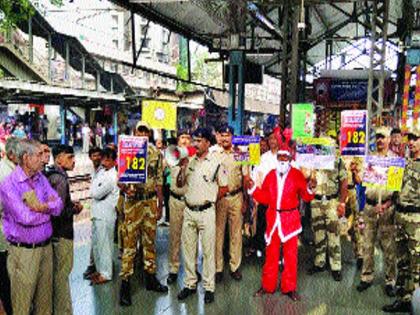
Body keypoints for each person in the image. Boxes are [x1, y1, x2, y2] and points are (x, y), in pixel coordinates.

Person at [0, 139, 63, 315]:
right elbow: (25, 217)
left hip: (46, 249)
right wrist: (48, 210)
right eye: (39, 155)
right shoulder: (9, 185)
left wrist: (43, 207)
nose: (44, 159)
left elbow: (58, 206)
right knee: (23, 305)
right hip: (24, 253)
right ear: (26, 158)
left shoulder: (41, 179)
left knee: (44, 304)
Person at [248, 144, 316, 301]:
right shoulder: (270, 175)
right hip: (273, 221)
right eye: (280, 158)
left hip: (290, 221)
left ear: (290, 159)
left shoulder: (297, 175)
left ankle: (289, 288)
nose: (283, 160)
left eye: (285, 158)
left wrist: (311, 188)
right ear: (277, 159)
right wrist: (253, 190)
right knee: (270, 255)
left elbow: (305, 196)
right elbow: (265, 197)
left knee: (290, 256)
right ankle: (267, 286)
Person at [176, 128, 228, 304]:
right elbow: (180, 183)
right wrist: (181, 168)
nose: (195, 144)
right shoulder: (189, 162)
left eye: (199, 140)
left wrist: (211, 199)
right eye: (194, 140)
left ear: (207, 142)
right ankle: (190, 284)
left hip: (206, 212)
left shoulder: (216, 163)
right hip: (189, 211)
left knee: (208, 251)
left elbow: (224, 187)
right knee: (188, 250)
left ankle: (209, 287)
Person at [119, 121, 167, 307]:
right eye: (140, 131)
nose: (143, 135)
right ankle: (125, 284)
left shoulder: (156, 153)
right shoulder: (126, 150)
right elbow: (120, 180)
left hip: (149, 201)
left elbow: (159, 180)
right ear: (135, 132)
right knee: (129, 243)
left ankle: (150, 278)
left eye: (146, 132)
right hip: (133, 202)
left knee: (150, 241)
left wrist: (160, 204)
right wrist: (125, 189)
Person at [357, 127, 397, 296]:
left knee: (389, 247)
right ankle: (366, 277)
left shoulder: (395, 161)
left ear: (389, 140)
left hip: (387, 209)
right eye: (378, 137)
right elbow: (361, 181)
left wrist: (387, 205)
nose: (380, 140)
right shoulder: (369, 160)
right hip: (370, 207)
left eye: (383, 137)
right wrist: (354, 173)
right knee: (367, 244)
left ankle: (390, 280)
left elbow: (396, 190)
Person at [383, 129, 419, 313]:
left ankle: (417, 306)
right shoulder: (403, 163)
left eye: (416, 139)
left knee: (417, 265)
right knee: (402, 263)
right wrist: (388, 202)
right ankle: (403, 299)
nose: (411, 142)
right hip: (399, 217)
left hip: (417, 221)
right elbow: (395, 188)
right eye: (410, 139)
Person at [45, 145, 83, 315]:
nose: (73, 160)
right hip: (62, 234)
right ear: (59, 159)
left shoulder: (50, 175)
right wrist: (74, 209)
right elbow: (58, 211)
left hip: (52, 234)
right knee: (62, 277)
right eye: (69, 157)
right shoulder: (60, 179)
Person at [308, 133, 348, 282]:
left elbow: (344, 182)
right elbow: (306, 177)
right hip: (316, 201)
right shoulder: (313, 160)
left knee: (333, 234)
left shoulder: (337, 160)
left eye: (328, 144)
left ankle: (336, 266)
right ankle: (319, 262)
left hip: (332, 201)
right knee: (318, 233)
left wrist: (342, 203)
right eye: (323, 143)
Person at [215, 125, 249, 283]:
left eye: (227, 135)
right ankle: (218, 268)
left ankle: (235, 267)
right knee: (218, 234)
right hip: (219, 199)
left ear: (233, 137)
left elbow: (246, 179)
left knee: (236, 234)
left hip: (237, 197)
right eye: (222, 135)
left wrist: (246, 201)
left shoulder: (241, 154)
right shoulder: (214, 154)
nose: (225, 138)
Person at [90, 148, 119, 284]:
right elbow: (94, 189)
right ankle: (100, 269)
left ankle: (106, 273)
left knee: (105, 245)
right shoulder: (102, 172)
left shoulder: (112, 176)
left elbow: (95, 193)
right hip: (97, 213)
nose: (104, 162)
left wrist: (94, 188)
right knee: (97, 244)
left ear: (114, 161)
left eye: (108, 160)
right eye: (103, 159)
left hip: (106, 215)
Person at [249, 129, 279, 259]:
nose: (272, 141)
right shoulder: (263, 158)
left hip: (280, 200)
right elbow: (256, 176)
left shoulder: (284, 156)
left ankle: (277, 253)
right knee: (263, 224)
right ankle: (262, 249)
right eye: (270, 139)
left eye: (275, 138)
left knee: (277, 227)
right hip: (265, 198)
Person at [167, 130, 192, 285]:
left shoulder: (194, 159)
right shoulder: (171, 156)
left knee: (190, 238)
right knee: (175, 236)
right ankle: (173, 268)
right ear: (178, 141)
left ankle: (192, 268)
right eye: (183, 137)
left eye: (188, 138)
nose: (186, 140)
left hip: (190, 201)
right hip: (175, 201)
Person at [0, 137, 20, 315]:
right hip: (5, 234)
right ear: (12, 155)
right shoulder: (6, 173)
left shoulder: (8, 169)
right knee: (6, 277)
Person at [83, 147, 103, 280]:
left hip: (104, 210)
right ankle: (93, 265)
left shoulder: (104, 170)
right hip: (95, 209)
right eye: (93, 155)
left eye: (98, 155)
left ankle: (97, 266)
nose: (96, 157)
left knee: (101, 239)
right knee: (95, 239)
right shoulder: (92, 171)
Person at [346, 157, 364, 269]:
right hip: (336, 191)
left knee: (356, 225)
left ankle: (360, 255)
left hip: (352, 192)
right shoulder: (333, 152)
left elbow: (359, 181)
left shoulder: (357, 158)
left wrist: (354, 171)